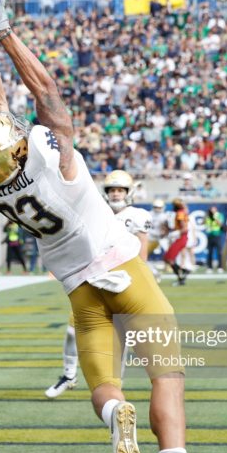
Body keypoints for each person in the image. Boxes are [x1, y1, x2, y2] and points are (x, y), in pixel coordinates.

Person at [0, 0, 195, 453]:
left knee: (104, 388)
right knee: (167, 376)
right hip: (124, 269)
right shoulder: (51, 155)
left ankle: (117, 418)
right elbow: (45, 92)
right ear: (19, 146)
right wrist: (2, 33)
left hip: (78, 291)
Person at [46, 169, 152, 399]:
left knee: (121, 336)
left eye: (119, 190)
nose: (115, 194)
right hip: (93, 278)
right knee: (73, 331)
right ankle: (68, 374)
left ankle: (115, 387)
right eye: (112, 190)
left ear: (128, 192)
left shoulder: (136, 215)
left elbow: (142, 247)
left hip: (124, 280)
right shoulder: (99, 211)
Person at [163, 198, 192, 285]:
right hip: (181, 237)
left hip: (180, 237)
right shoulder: (182, 212)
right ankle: (183, 272)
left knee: (168, 258)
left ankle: (182, 275)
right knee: (168, 258)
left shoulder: (180, 213)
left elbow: (184, 228)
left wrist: (176, 233)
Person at [203, 205, 224, 273]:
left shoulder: (219, 215)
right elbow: (203, 223)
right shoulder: (208, 216)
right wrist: (206, 216)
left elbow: (221, 224)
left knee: (219, 252)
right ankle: (209, 267)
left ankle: (220, 267)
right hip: (210, 235)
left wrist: (215, 218)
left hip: (217, 235)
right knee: (210, 252)